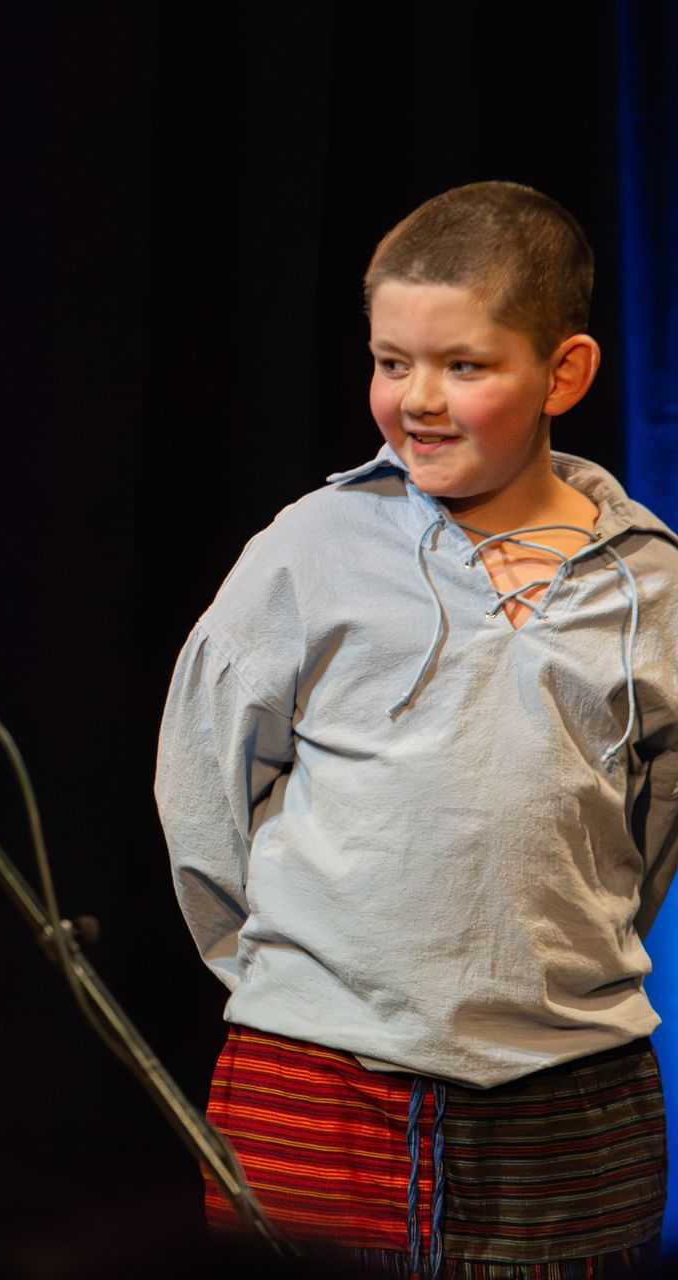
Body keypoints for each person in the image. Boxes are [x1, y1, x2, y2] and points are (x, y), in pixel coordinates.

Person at [157, 180, 678, 1274]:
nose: (417, 400)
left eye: (464, 365)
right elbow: (206, 784)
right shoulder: (312, 547)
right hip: (315, 1075)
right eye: (392, 362)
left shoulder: (651, 581)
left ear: (564, 373)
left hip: (571, 1098)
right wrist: (297, 980)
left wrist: (556, 957)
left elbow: (650, 831)